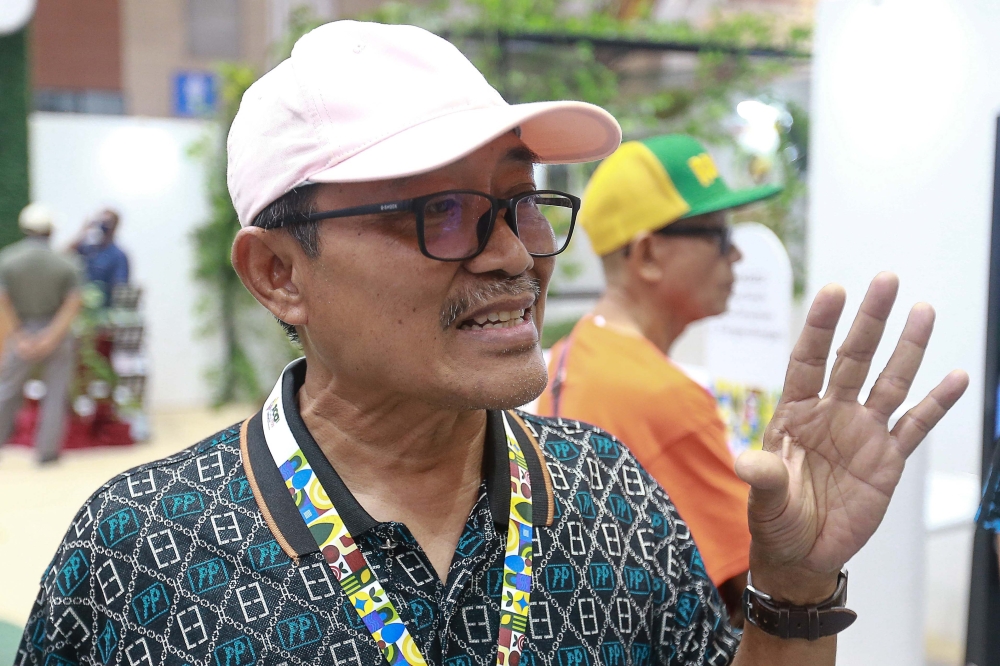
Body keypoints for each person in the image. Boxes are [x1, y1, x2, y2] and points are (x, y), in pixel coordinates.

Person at [17, 21, 968, 666]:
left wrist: (795, 588)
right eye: (442, 211)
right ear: (278, 273)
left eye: (520, 203)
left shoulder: (611, 496)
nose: (514, 254)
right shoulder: (140, 552)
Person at [536, 134, 780, 623]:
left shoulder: (573, 354)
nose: (736, 257)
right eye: (718, 237)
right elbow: (750, 591)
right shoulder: (664, 397)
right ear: (646, 254)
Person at [0, 204, 82, 464]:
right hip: (56, 337)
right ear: (50, 231)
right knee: (56, 393)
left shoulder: (7, 259)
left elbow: (3, 301)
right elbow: (73, 303)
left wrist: (20, 337)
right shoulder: (67, 263)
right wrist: (50, 337)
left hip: (20, 334)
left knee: (6, 391)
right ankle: (47, 453)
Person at [70, 208, 129, 306]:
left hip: (104, 307)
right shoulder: (89, 249)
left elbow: (119, 287)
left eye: (106, 223)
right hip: (83, 304)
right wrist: (83, 233)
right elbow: (64, 255)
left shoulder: (118, 256)